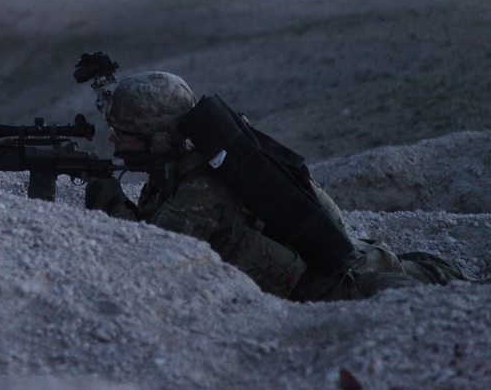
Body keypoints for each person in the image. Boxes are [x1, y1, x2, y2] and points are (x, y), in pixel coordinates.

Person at [85, 71, 467, 301]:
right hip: (333, 271)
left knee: (453, 293)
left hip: (342, 287)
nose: (114, 140)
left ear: (158, 136)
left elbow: (150, 252)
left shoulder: (203, 185)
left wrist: (107, 199)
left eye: (124, 133)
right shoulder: (173, 172)